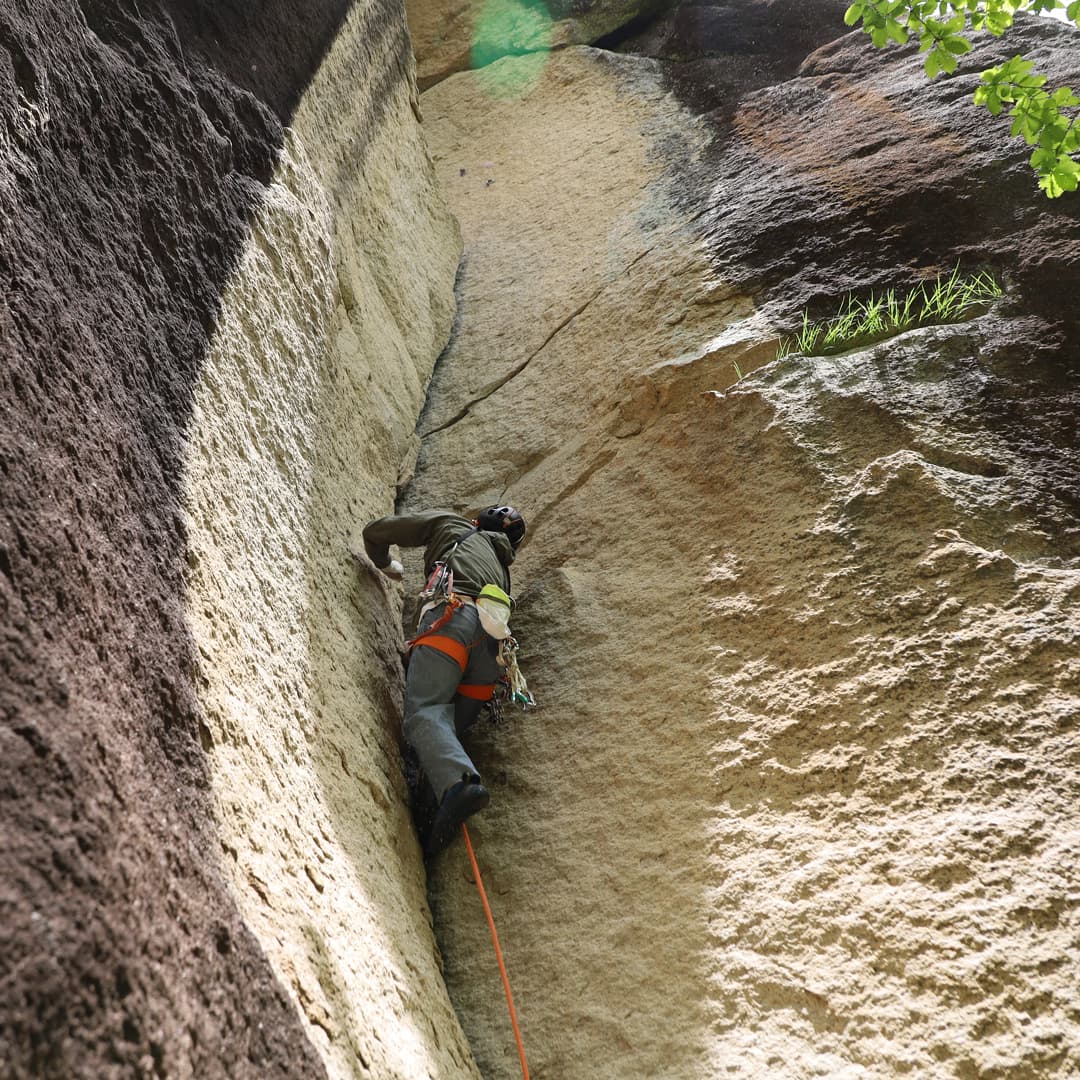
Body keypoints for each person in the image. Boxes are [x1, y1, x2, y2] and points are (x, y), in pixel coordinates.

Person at [361, 505, 527, 856]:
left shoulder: (453, 526)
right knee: (445, 728)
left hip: (451, 620)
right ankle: (434, 808)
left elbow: (378, 531)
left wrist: (386, 564)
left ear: (477, 521)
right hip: (490, 653)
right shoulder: (501, 568)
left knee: (425, 712)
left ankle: (457, 785)